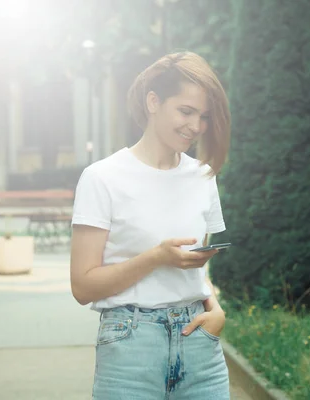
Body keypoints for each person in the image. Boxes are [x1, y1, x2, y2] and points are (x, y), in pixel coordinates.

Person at [70, 51, 231, 399]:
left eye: (203, 116)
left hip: (200, 345)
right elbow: (82, 286)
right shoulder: (102, 178)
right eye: (186, 111)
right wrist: (156, 257)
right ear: (153, 101)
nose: (195, 126)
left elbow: (199, 271)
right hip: (131, 346)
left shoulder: (202, 176)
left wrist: (215, 308)